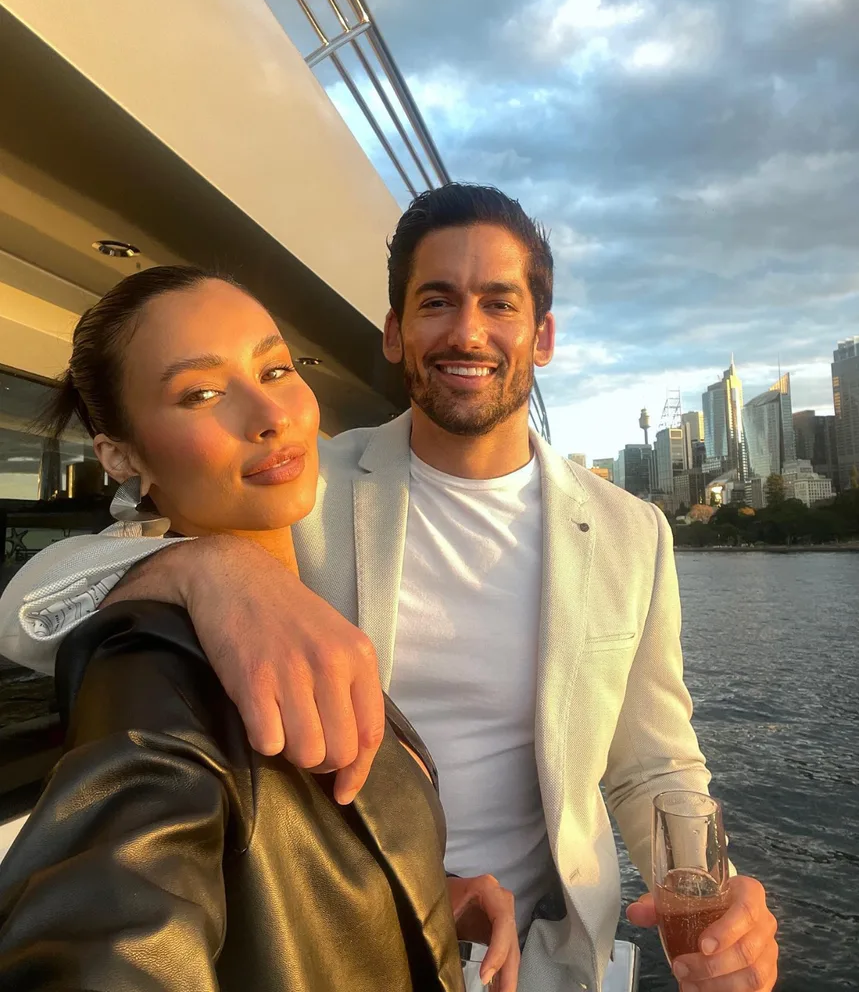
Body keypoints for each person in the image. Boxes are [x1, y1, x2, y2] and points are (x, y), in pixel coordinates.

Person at [0, 185, 779, 992]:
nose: (467, 331)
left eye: (498, 303)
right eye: (436, 301)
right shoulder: (297, 482)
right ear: (395, 333)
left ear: (540, 336)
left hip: (542, 955)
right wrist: (207, 568)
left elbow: (651, 763)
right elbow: (31, 607)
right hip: (345, 941)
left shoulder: (630, 531)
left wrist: (711, 897)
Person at [0, 266, 520, 991]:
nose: (269, 414)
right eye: (201, 393)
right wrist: (206, 565)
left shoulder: (300, 580)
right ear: (121, 456)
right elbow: (107, 945)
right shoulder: (158, 682)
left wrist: (422, 895)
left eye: (275, 368)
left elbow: (292, 866)